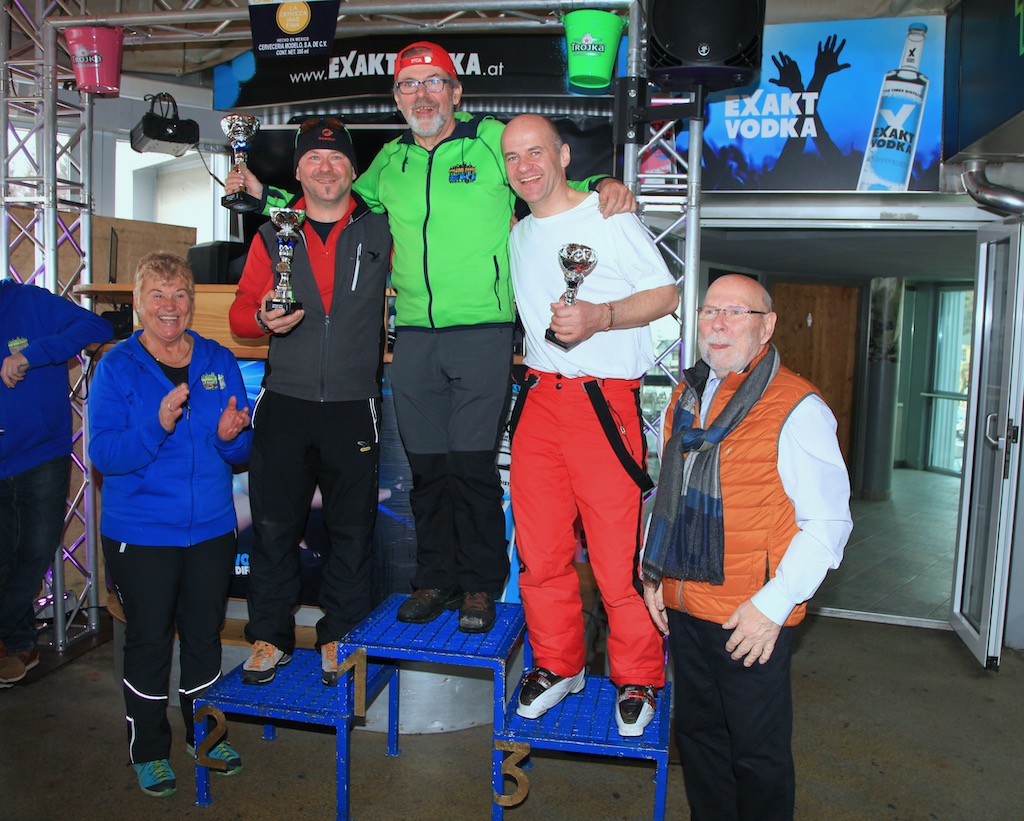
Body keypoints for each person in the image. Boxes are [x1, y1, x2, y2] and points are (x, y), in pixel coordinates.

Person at [225, 41, 636, 635]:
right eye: (409, 85)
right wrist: (265, 195)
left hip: (483, 330)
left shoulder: (489, 140)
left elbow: (542, 173)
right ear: (396, 98)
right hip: (415, 334)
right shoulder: (389, 162)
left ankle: (479, 584)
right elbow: (330, 203)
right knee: (427, 468)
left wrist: (602, 182)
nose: (422, 95)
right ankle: (435, 578)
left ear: (456, 91)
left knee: (471, 467)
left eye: (434, 82)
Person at [641, 274, 852, 819]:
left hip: (748, 618)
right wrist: (654, 574)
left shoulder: (797, 406)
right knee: (700, 740)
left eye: (736, 313)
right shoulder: (687, 396)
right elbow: (669, 493)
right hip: (685, 606)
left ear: (767, 326)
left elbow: (828, 524)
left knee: (757, 756)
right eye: (710, 311)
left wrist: (773, 606)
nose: (718, 324)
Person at [500, 114, 678, 735]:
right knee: (540, 553)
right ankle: (558, 664)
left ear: (564, 155)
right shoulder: (519, 231)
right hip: (537, 402)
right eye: (512, 157)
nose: (524, 166)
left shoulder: (609, 215)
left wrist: (600, 317)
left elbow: (665, 295)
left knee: (615, 559)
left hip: (602, 405)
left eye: (536, 152)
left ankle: (638, 675)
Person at [228, 118, 391, 687]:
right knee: (274, 528)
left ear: (352, 169)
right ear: (297, 171)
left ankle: (340, 634)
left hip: (353, 404)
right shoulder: (273, 231)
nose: (326, 168)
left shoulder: (380, 227)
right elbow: (240, 315)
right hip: (286, 403)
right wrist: (260, 318)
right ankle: (269, 638)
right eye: (314, 159)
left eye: (337, 158)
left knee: (351, 532)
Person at [89, 253, 252, 798]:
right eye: (157, 294)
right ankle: (150, 751)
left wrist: (231, 438)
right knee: (150, 641)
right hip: (140, 533)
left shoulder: (217, 359)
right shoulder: (116, 366)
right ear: (138, 303)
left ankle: (205, 735)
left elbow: (242, 448)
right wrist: (155, 426)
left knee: (204, 637)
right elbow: (105, 454)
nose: (169, 306)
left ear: (192, 302)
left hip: (211, 529)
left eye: (179, 294)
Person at [0, 279, 112, 687]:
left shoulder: (28, 300)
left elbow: (97, 327)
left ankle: (11, 638)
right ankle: (16, 644)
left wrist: (30, 354)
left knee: (36, 548)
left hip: (40, 453)